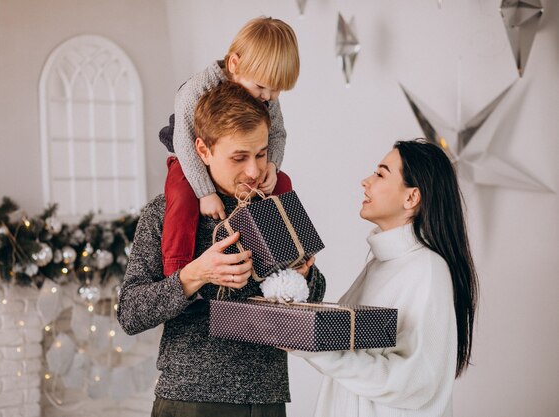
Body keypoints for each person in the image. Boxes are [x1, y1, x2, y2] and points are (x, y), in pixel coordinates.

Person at [118, 82, 326, 417]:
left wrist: (305, 275)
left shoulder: (275, 206)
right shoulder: (164, 212)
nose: (254, 171)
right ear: (202, 150)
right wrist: (194, 276)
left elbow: (312, 300)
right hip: (191, 399)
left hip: (267, 398)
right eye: (239, 157)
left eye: (260, 154)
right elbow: (129, 313)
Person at [291, 139, 479, 417]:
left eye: (380, 174)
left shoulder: (427, 270)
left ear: (411, 198)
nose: (365, 182)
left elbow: (415, 381)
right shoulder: (379, 264)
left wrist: (309, 344)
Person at [159, 16, 300, 276]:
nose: (267, 97)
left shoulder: (264, 93)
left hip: (228, 158)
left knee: (282, 183)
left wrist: (272, 165)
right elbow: (185, 143)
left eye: (276, 91)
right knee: (181, 194)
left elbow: (278, 133)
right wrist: (205, 193)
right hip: (187, 153)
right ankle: (177, 269)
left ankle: (289, 262)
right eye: (261, 87)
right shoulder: (196, 90)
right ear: (234, 64)